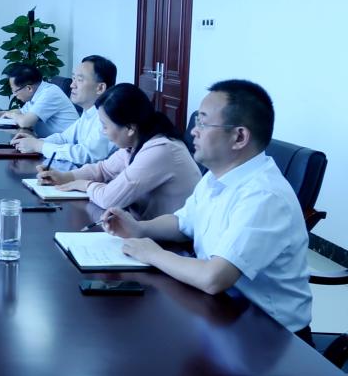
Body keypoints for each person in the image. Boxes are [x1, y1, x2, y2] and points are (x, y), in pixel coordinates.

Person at [103, 80, 312, 339]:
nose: (193, 131)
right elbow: (183, 222)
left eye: (203, 123)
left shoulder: (264, 196)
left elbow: (214, 278)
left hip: (268, 336)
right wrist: (138, 228)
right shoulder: (216, 176)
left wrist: (152, 253)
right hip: (221, 312)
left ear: (239, 137)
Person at [37, 83, 200, 220]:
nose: (103, 132)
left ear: (130, 128)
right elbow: (103, 169)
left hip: (170, 242)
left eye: (105, 126)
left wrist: (85, 185)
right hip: (143, 229)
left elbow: (109, 199)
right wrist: (65, 177)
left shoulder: (160, 150)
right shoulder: (137, 141)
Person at [11, 55, 118, 169]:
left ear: (100, 88)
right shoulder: (89, 112)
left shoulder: (108, 117)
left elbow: (85, 155)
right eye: (73, 78)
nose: (72, 85)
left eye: (79, 80)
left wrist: (39, 146)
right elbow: (64, 138)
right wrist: (35, 141)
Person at [0, 63, 78, 137]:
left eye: (15, 91)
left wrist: (10, 114)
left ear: (29, 88)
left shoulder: (49, 93)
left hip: (66, 144)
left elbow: (25, 122)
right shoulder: (36, 93)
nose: (14, 95)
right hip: (51, 141)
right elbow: (21, 112)